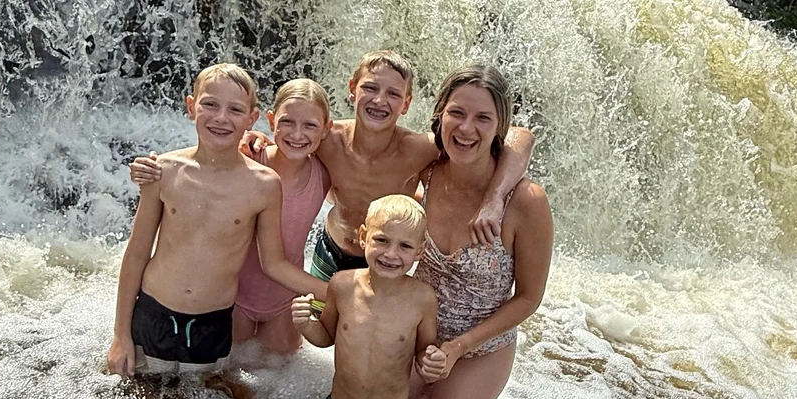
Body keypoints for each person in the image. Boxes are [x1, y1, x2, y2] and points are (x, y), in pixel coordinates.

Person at [129, 49, 535, 282]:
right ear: (352, 90)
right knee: (319, 342)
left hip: (387, 259)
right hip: (331, 249)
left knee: (365, 349)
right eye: (370, 89)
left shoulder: (422, 149)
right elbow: (249, 136)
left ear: (407, 104)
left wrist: (496, 197)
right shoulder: (326, 137)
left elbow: (519, 136)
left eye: (393, 94)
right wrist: (164, 165)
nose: (380, 100)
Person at [106, 63, 325, 377]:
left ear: (252, 119)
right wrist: (120, 335)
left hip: (214, 323)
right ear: (192, 107)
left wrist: (340, 292)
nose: (221, 118)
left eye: (235, 109)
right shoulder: (163, 171)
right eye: (210, 105)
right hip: (153, 313)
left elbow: (273, 261)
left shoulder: (264, 184)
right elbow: (137, 253)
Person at [411, 63, 553, 399]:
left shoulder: (525, 201)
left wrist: (459, 347)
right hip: (418, 334)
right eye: (457, 113)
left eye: (482, 118)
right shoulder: (422, 171)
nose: (466, 128)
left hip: (481, 348)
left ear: (498, 129)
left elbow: (528, 298)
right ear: (440, 114)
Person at [290, 195, 446, 399]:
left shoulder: (422, 299)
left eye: (405, 246)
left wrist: (432, 361)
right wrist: (306, 324)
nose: (391, 254)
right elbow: (326, 337)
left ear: (420, 250)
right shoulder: (342, 285)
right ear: (364, 236)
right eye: (381, 240)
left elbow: (422, 353)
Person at [232, 78, 332, 354]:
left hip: (286, 303)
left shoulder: (323, 175)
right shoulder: (249, 161)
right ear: (271, 119)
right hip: (234, 298)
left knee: (276, 383)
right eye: (287, 122)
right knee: (225, 380)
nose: (297, 134)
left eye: (310, 125)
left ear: (326, 129)